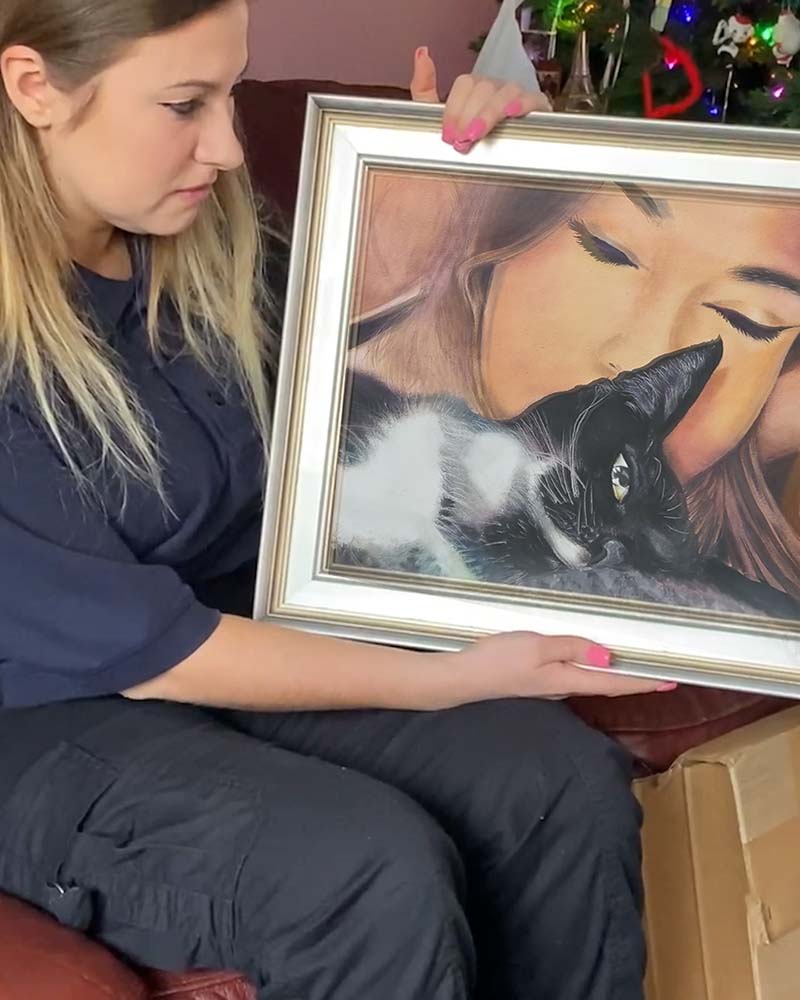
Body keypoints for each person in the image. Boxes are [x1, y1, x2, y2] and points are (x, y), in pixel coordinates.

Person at [0, 3, 668, 998]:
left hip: (238, 623)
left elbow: (364, 392)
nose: (227, 145)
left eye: (230, 92)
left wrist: (440, 182)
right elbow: (161, 653)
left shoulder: (202, 232)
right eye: (184, 104)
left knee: (555, 785)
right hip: (46, 714)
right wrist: (451, 676)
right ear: (33, 88)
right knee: (362, 869)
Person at [350, 176, 800, 600]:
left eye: (748, 320)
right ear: (499, 242)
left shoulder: (754, 610)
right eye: (609, 251)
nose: (639, 355)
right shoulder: (323, 425)